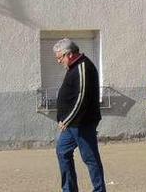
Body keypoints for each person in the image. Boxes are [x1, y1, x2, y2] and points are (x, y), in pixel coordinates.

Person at [53, 38, 106, 192]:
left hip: (82, 123)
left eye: (59, 57)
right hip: (70, 124)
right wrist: (64, 119)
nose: (58, 61)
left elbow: (81, 99)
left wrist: (67, 120)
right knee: (62, 151)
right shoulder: (73, 66)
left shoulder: (83, 67)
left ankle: (99, 190)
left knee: (90, 158)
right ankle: (69, 189)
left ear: (68, 54)